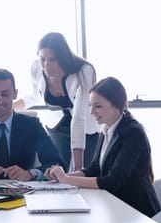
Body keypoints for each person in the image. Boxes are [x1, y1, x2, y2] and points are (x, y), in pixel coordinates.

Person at [44, 77, 161, 217]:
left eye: (98, 106)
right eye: (90, 105)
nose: (92, 112)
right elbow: (93, 169)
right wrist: (61, 177)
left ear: (117, 105)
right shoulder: (106, 129)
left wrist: (66, 179)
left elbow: (112, 182)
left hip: (137, 211)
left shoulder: (133, 133)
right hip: (115, 206)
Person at [14, 32, 99, 172]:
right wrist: (9, 109)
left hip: (85, 127)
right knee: (58, 171)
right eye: (43, 59)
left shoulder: (84, 71)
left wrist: (78, 170)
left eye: (52, 60)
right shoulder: (36, 68)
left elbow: (79, 117)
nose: (46, 65)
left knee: (85, 173)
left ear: (63, 58)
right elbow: (35, 96)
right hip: (57, 126)